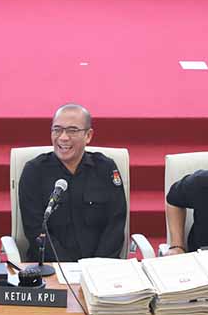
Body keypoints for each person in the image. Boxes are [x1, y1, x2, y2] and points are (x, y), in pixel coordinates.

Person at [19, 104, 127, 262]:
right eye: (57, 130)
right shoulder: (34, 171)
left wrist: (96, 266)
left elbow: (115, 225)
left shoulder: (105, 168)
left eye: (72, 130)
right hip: (52, 267)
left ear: (88, 135)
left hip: (100, 269)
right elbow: (35, 228)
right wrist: (67, 268)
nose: (63, 137)